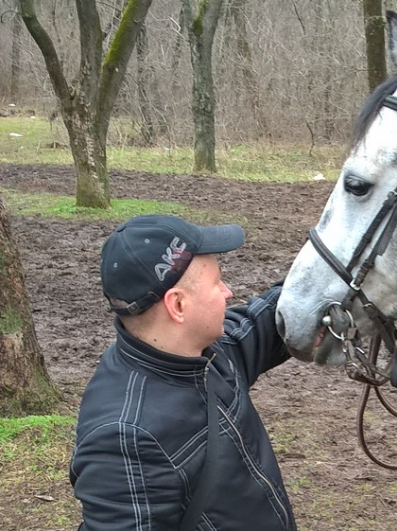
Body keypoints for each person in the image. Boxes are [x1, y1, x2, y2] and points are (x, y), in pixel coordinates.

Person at [70, 215, 297, 530]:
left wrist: (335, 264)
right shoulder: (123, 440)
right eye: (217, 282)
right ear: (177, 305)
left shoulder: (204, 352)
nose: (228, 292)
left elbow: (268, 319)